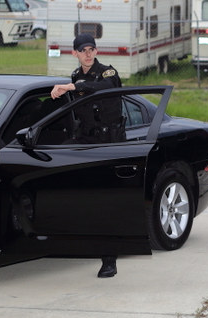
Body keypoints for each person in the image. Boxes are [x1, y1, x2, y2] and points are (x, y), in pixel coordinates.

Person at [51, 34, 122, 278]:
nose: (88, 54)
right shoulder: (75, 75)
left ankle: (109, 260)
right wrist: (61, 91)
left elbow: (105, 89)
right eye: (83, 50)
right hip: (85, 141)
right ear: (75, 53)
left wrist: (73, 87)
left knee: (106, 202)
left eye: (92, 49)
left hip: (108, 144)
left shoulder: (107, 73)